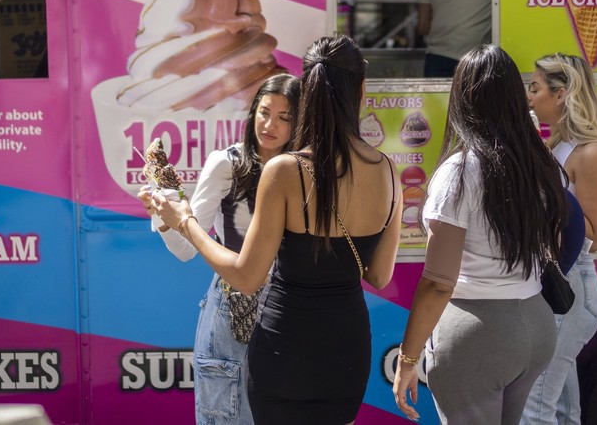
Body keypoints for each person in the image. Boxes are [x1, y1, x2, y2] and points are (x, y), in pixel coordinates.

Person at [143, 36, 403, 425]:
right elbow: (380, 275)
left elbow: (248, 277)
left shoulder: (285, 171)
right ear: (361, 89)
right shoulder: (387, 171)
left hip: (286, 349)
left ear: (307, 93)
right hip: (347, 350)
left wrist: (185, 221)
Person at [393, 44, 574, 425]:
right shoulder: (544, 165)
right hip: (537, 326)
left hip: (478, 335)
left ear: (463, 99)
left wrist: (408, 359)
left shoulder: (459, 174)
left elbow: (439, 283)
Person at [149, 73, 300, 425]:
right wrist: (166, 216)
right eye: (264, 112)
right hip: (233, 309)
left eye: (284, 117)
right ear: (252, 114)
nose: (270, 124)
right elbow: (187, 248)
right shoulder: (227, 164)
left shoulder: (306, 169)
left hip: (293, 309)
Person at [522, 53, 597, 425]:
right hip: (556, 285)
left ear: (562, 93)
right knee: (565, 413)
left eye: (535, 89)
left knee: (533, 411)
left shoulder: (594, 152)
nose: (529, 98)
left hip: (570, 287)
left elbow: (594, 236)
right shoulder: (557, 148)